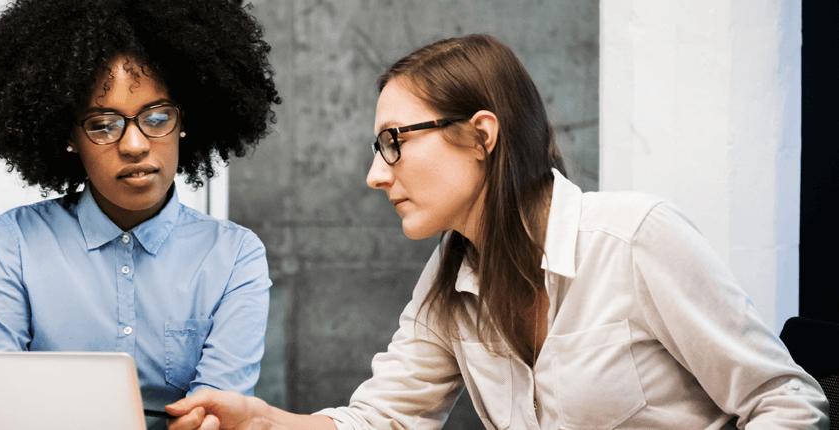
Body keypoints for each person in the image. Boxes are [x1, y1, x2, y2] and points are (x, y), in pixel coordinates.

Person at [164, 34, 829, 430]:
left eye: (393, 142)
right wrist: (267, 421)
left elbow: (787, 400)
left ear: (481, 134)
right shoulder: (449, 282)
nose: (375, 174)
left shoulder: (633, 240)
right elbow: (384, 421)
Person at [0, 0, 280, 421]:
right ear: (68, 136)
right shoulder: (15, 242)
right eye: (103, 123)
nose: (134, 145)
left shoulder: (234, 257)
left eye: (157, 116)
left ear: (185, 122)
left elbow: (213, 415)